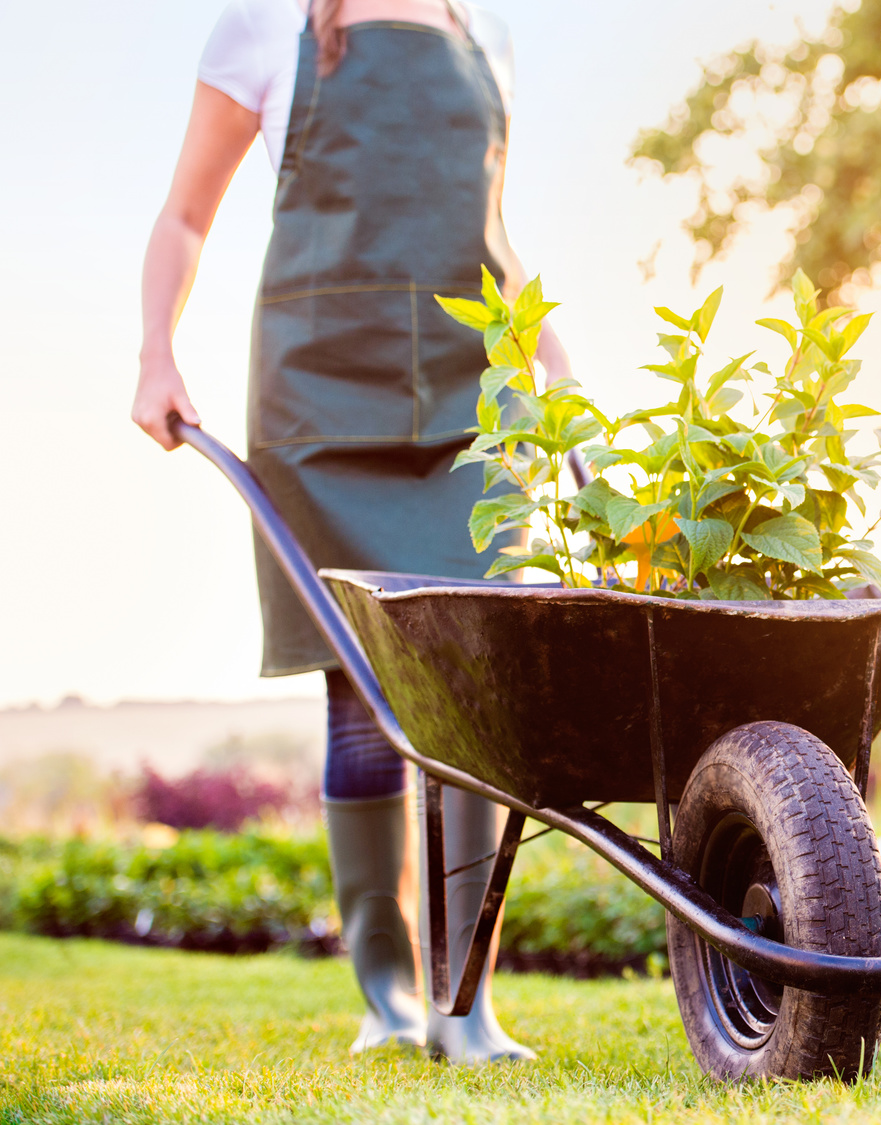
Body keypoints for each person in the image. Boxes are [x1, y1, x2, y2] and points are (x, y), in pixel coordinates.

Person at [131, 0, 569, 1063]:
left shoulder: (484, 37)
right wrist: (156, 351)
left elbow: (496, 243)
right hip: (321, 399)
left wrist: (561, 376)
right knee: (363, 694)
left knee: (474, 688)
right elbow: (187, 215)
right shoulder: (267, 29)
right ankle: (390, 999)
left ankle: (466, 1008)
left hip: (473, 404)